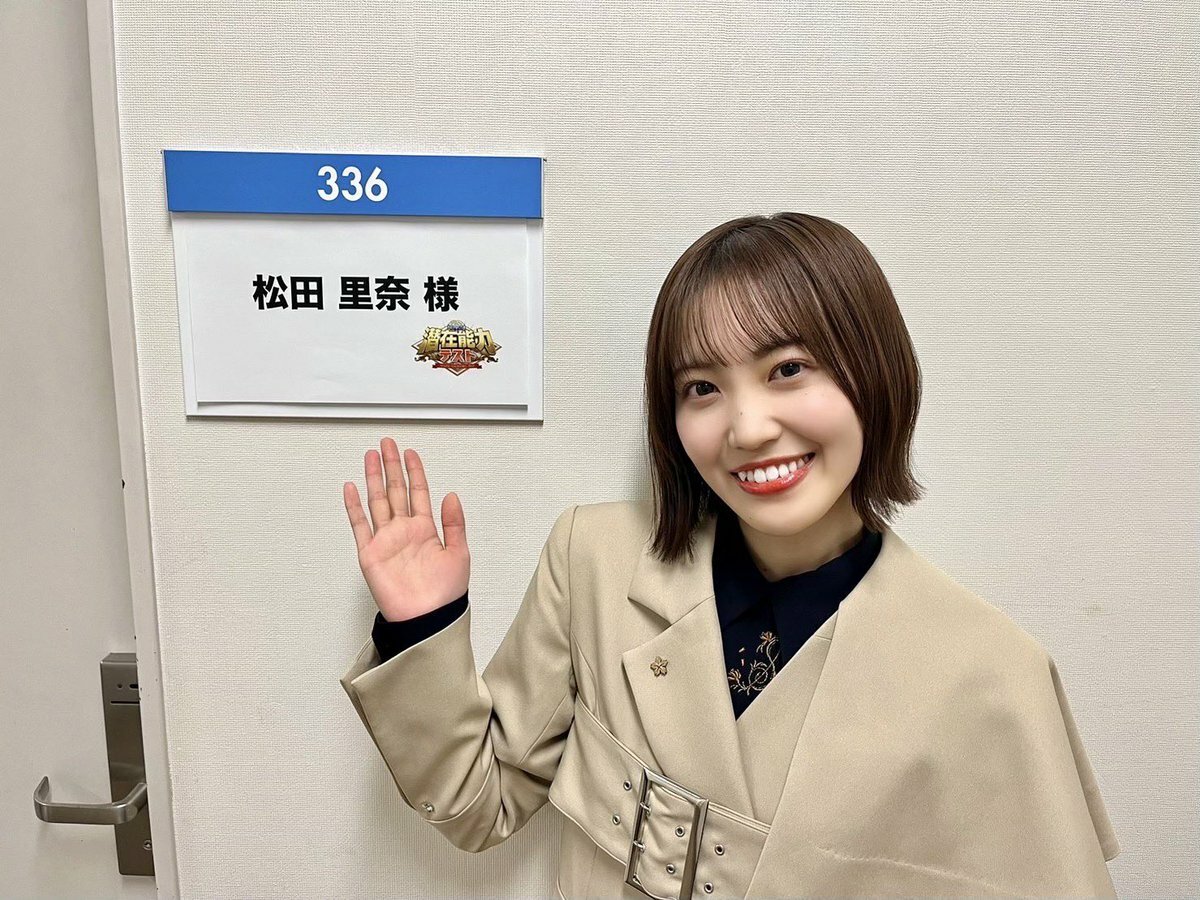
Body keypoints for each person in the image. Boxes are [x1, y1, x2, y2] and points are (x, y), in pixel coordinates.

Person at [339, 212, 1120, 898]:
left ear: (873, 372)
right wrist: (424, 625)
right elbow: (478, 806)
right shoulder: (595, 562)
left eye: (788, 370)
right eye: (702, 388)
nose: (747, 429)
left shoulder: (991, 675)